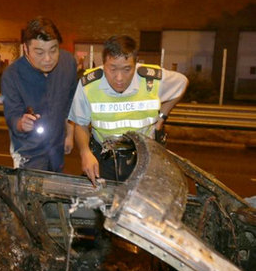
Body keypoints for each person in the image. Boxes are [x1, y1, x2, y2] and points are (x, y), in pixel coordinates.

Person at [69, 35, 188, 183]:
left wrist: (162, 117)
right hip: (104, 158)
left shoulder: (151, 79)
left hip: (145, 158)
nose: (119, 78)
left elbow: (182, 83)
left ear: (135, 65)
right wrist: (85, 153)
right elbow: (80, 124)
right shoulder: (89, 85)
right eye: (112, 69)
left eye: (127, 69)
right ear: (103, 64)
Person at [1, 16, 77, 172]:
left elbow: (70, 101)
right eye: (39, 52)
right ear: (26, 49)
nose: (48, 59)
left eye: (53, 50)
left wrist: (70, 133)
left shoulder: (68, 63)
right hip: (27, 151)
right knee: (30, 194)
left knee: (53, 192)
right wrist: (21, 123)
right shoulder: (12, 75)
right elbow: (12, 114)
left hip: (56, 147)